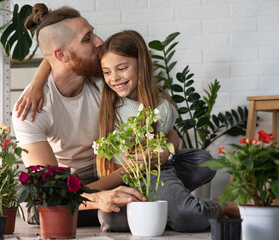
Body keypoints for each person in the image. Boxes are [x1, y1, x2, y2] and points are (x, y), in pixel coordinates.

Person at [13, 3, 239, 232]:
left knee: (201, 161)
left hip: (121, 171)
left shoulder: (105, 79)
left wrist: (164, 150)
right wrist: (102, 195)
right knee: (52, 208)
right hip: (75, 187)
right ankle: (169, 207)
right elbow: (52, 190)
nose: (99, 41)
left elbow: (168, 132)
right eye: (87, 38)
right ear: (62, 56)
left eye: (93, 32)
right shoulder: (31, 109)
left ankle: (148, 204)